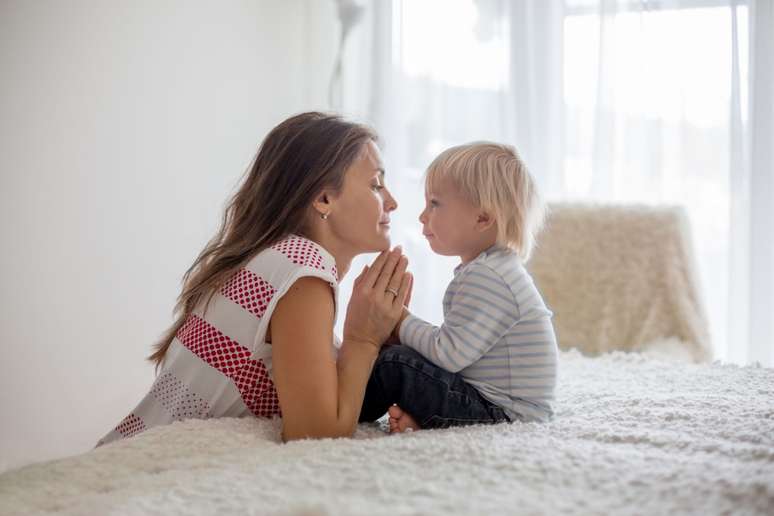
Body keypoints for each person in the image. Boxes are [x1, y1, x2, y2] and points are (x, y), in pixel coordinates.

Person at [97, 111, 412, 445]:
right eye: (376, 184)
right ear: (323, 199)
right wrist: (363, 339)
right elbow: (315, 433)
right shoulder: (302, 264)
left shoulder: (272, 260)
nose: (392, 201)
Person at [359, 142, 557, 433]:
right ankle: (427, 419)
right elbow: (457, 352)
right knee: (405, 357)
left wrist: (400, 321)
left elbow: (448, 354)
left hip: (505, 414)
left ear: (482, 218)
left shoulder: (489, 276)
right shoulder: (492, 269)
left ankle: (345, 408)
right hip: (494, 402)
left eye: (435, 204)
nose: (422, 216)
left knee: (396, 362)